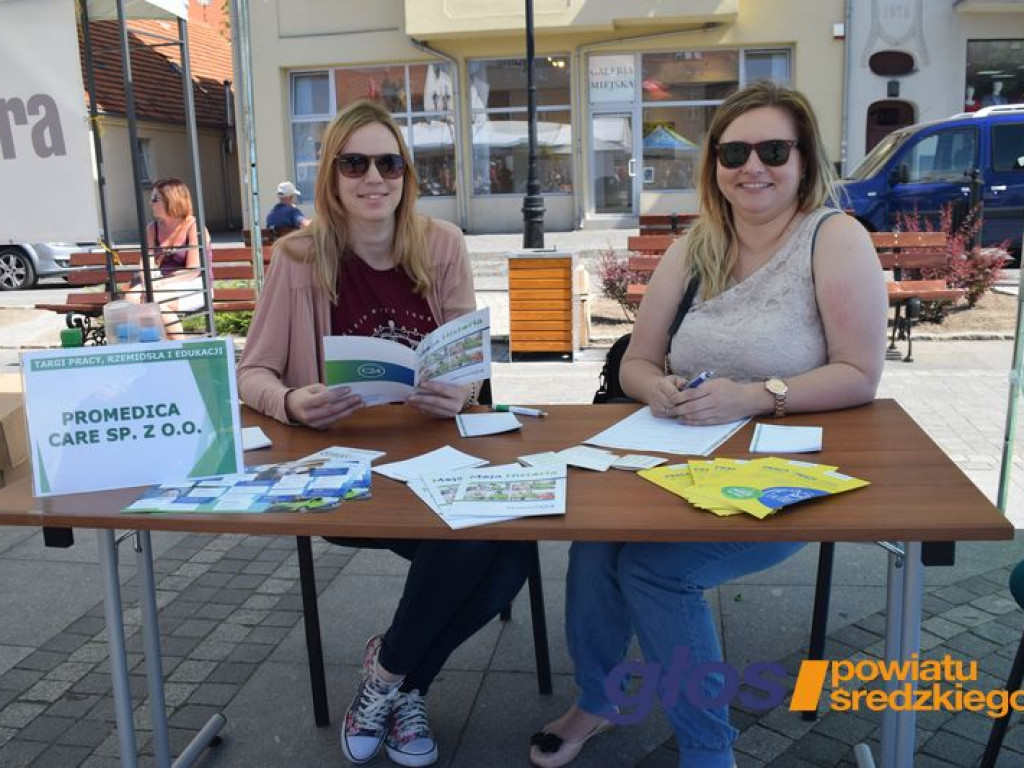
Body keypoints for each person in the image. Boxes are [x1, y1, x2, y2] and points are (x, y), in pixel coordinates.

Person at [529, 81, 887, 768]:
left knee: (657, 571)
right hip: (674, 459)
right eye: (734, 152)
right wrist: (657, 388)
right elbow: (636, 359)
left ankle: (707, 749)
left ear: (804, 160)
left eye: (773, 150)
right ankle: (598, 700)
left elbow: (858, 374)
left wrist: (754, 396)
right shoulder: (699, 242)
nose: (753, 167)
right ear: (715, 165)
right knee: (594, 545)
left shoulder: (833, 238)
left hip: (782, 471)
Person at [237, 99, 529, 768]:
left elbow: (470, 365)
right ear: (332, 178)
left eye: (389, 163)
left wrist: (462, 388)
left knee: (509, 556)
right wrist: (289, 400)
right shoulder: (299, 258)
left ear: (406, 174)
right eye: (355, 163)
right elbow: (251, 372)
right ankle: (406, 681)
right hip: (343, 472)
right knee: (468, 546)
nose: (374, 177)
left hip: (435, 452)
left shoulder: (442, 244)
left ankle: (391, 680)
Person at [127, 176, 210, 338]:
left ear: (171, 200)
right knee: (131, 297)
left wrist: (158, 284)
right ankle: (156, 350)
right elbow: (146, 264)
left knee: (155, 302)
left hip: (194, 284)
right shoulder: (152, 228)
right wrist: (148, 283)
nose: (151, 203)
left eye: (155, 199)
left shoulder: (194, 227)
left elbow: (192, 271)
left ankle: (178, 353)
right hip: (160, 284)